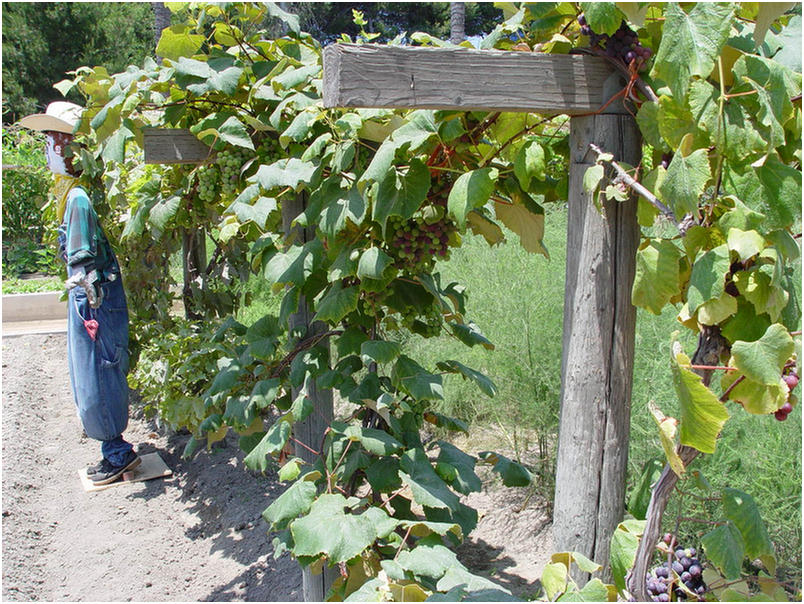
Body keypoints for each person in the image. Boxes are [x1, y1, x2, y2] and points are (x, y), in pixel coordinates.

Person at [19, 101, 139, 485]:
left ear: (70, 149)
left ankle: (117, 453)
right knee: (91, 374)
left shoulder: (78, 199)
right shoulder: (71, 196)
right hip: (91, 298)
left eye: (54, 140)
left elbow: (84, 259)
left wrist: (87, 297)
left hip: (95, 300)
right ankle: (113, 450)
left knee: (100, 374)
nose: (49, 148)